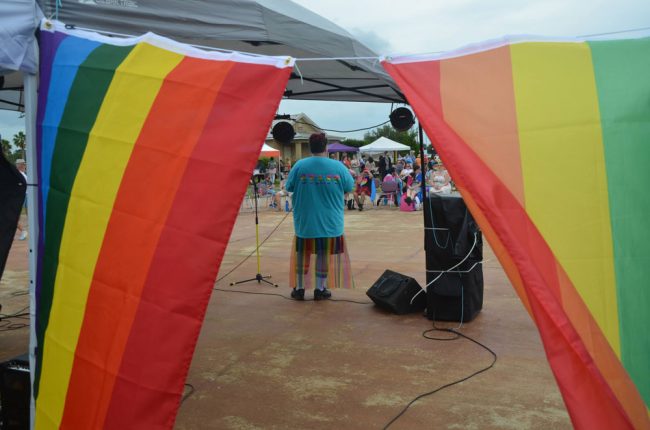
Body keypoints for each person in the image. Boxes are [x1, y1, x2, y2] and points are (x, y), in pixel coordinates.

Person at [285, 133, 355, 300]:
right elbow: (349, 187)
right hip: (331, 222)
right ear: (326, 147)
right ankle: (320, 288)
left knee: (303, 253)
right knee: (323, 254)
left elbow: (289, 187)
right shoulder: (338, 167)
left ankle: (300, 288)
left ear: (310, 147)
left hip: (306, 221)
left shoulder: (300, 165)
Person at [15, 159, 28, 240]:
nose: (25, 166)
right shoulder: (24, 174)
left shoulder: (21, 174)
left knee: (14, 216)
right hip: (25, 196)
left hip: (22, 197)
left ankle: (23, 231)